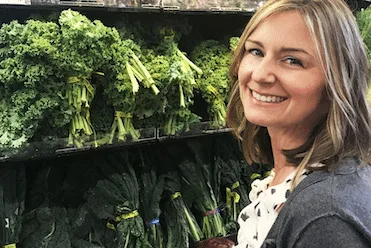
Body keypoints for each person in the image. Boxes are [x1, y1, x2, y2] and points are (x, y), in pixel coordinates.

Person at [216, 0, 371, 247]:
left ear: (338, 81)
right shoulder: (296, 175)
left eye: (292, 60)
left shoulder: (325, 217)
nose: (259, 75)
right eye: (256, 51)